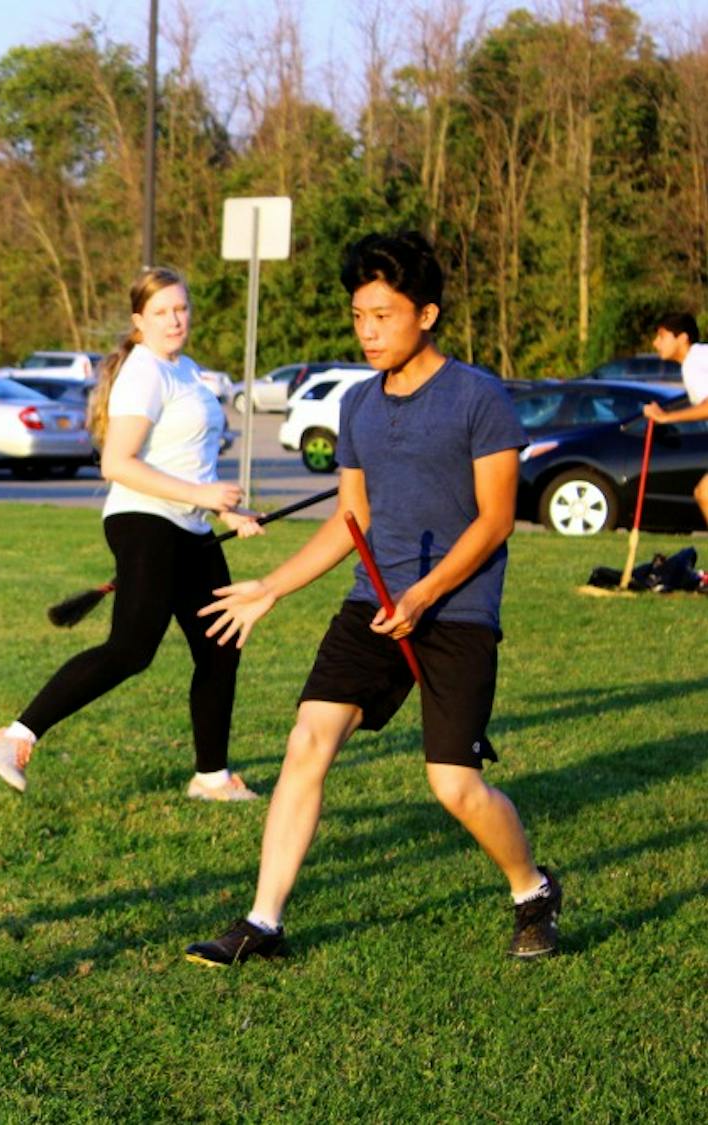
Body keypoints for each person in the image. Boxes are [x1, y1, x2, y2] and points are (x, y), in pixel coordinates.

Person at [184, 231, 562, 966]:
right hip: (372, 604)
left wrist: (422, 594)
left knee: (454, 784)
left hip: (455, 610)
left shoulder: (478, 397)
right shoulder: (358, 404)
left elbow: (495, 520)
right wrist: (271, 587)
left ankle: (533, 889)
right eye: (359, 316)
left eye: (383, 315)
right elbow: (349, 518)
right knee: (307, 740)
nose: (367, 331)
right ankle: (264, 923)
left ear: (427, 314)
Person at [0, 266, 263, 800]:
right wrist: (203, 496)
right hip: (145, 522)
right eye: (161, 312)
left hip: (188, 525)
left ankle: (212, 778)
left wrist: (227, 512)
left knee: (220, 645)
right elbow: (117, 463)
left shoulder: (185, 370)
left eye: (181, 309)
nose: (174, 320)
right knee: (131, 648)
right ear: (139, 321)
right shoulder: (145, 372)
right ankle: (14, 737)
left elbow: (189, 460)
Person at [643, 312, 708, 528]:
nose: (655, 343)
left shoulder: (693, 363)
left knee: (705, 494)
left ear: (682, 338)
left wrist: (666, 417)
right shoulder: (700, 358)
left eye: (662, 336)